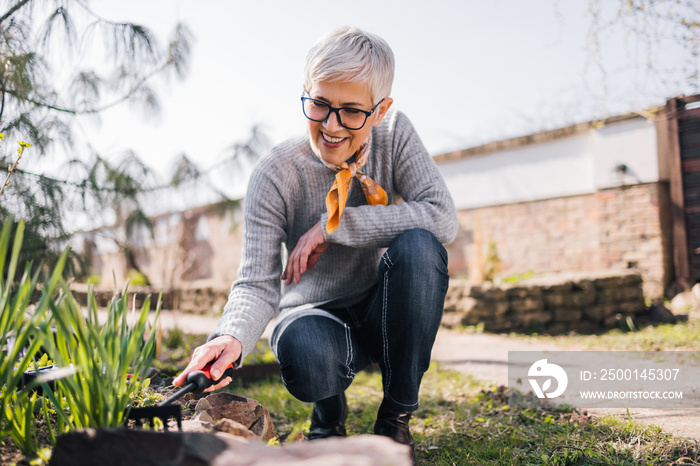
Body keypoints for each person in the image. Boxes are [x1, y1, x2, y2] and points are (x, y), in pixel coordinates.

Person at [174, 26, 457, 461]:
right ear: (306, 91)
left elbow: (442, 216)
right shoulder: (275, 173)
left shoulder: (396, 134)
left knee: (421, 247)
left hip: (383, 307)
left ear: (380, 110)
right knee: (307, 355)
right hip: (314, 313)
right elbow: (256, 281)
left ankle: (395, 418)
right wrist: (228, 337)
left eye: (351, 112)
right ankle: (328, 409)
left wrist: (334, 226)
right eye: (320, 104)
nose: (331, 126)